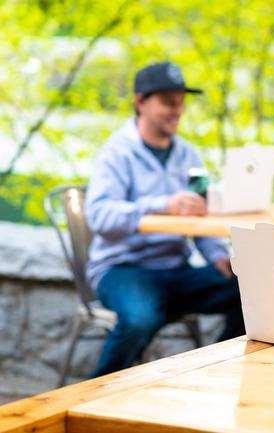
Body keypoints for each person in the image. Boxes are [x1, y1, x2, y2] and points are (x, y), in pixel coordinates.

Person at [85, 61, 244, 377]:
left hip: (176, 271)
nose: (177, 110)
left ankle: (216, 375)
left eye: (181, 103)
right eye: (169, 102)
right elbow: (99, 215)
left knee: (254, 291)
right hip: (123, 270)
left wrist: (216, 255)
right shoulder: (116, 153)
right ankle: (91, 397)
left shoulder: (188, 154)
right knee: (140, 318)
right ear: (140, 101)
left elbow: (197, 217)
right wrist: (163, 205)